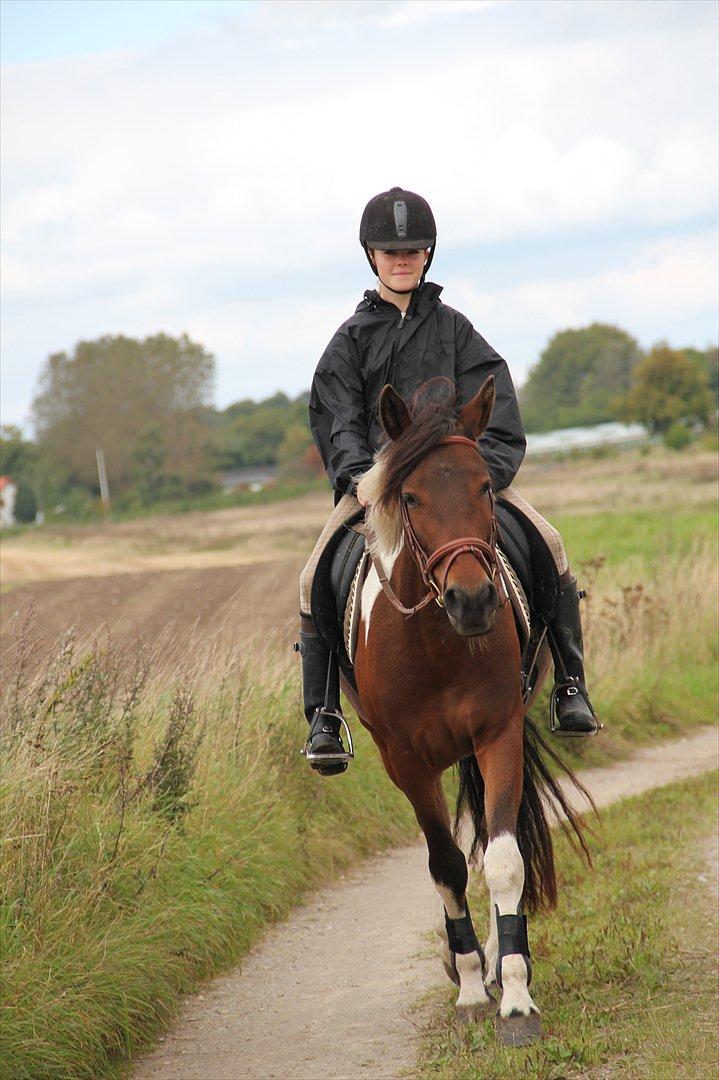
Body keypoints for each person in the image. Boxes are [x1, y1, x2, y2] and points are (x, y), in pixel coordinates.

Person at [298, 187, 598, 776]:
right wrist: (360, 477)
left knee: (551, 542)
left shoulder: (458, 331)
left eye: (412, 250)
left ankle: (569, 684)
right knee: (312, 577)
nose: (401, 260)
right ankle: (324, 716)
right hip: (385, 489)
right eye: (390, 251)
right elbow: (338, 420)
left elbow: (499, 408)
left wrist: (477, 473)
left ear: (428, 254)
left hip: (461, 482)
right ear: (371, 256)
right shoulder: (349, 342)